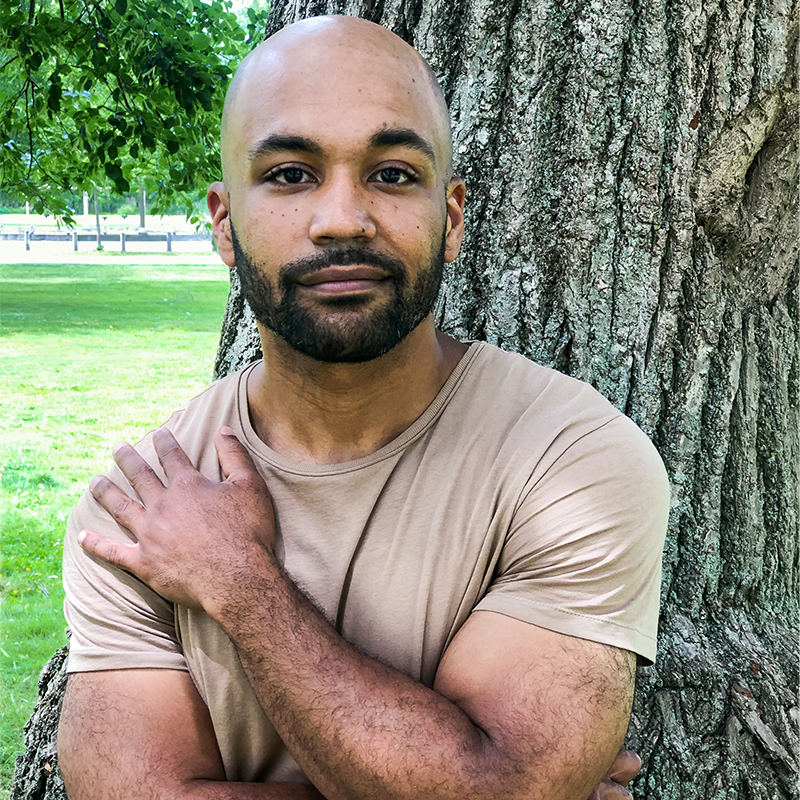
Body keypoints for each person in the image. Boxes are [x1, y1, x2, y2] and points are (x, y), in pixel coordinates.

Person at [57, 15, 669, 800]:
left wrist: (238, 582)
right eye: (288, 174)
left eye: (391, 174)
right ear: (223, 222)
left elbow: (497, 787)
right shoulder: (144, 506)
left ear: (450, 219)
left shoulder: (572, 463)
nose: (342, 218)